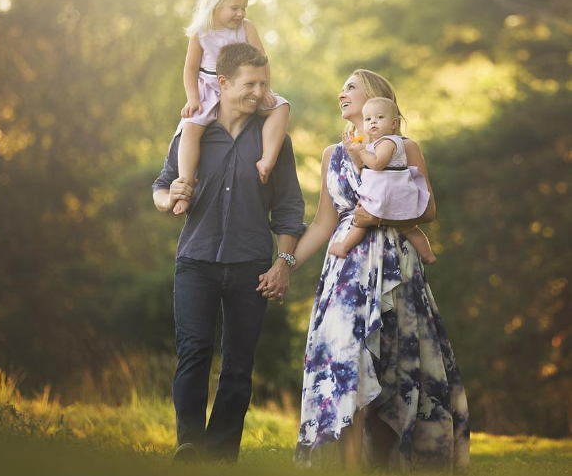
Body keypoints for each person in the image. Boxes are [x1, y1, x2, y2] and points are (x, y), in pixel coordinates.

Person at [261, 69, 469, 472]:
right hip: (345, 274)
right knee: (346, 361)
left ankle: (391, 460)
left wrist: (378, 216)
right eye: (341, 87)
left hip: (396, 267)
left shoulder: (405, 147)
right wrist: (283, 265)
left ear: (376, 99)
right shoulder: (332, 155)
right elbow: (324, 223)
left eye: (351, 87)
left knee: (394, 366)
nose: (342, 93)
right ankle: (351, 467)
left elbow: (428, 209)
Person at [152, 42, 304, 462]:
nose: (259, 93)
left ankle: (220, 456)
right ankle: (189, 444)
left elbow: (290, 208)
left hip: (251, 264)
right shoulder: (192, 133)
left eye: (264, 83)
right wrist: (169, 198)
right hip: (196, 261)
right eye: (250, 84)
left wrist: (283, 262)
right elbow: (161, 186)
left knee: (238, 364)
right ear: (222, 83)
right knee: (194, 350)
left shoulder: (276, 140)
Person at [174, 0, 290, 215]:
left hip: (245, 87)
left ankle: (266, 159)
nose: (241, 14)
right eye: (235, 8)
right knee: (190, 128)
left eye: (244, 8)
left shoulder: (246, 28)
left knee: (281, 107)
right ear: (215, 5)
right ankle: (185, 185)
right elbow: (190, 68)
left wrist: (266, 89)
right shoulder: (201, 32)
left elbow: (263, 61)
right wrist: (193, 98)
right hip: (209, 87)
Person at [328, 97, 436, 264]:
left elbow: (377, 164)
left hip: (386, 195)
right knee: (409, 228)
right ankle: (427, 255)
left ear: (394, 123)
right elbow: (363, 165)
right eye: (368, 119)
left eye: (379, 118)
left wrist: (361, 151)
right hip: (392, 194)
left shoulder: (387, 142)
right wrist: (354, 149)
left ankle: (343, 247)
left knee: (360, 224)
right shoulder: (377, 143)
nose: (373, 123)